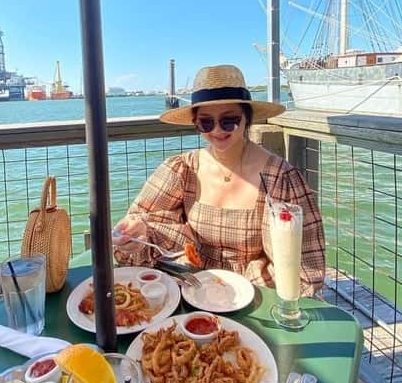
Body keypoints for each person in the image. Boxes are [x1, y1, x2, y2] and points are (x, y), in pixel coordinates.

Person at [113, 64, 325, 296]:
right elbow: (140, 221)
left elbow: (305, 269)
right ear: (196, 123)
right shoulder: (182, 170)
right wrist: (137, 233)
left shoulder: (280, 179)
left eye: (228, 121)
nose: (217, 131)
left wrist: (237, 290)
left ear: (246, 118)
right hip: (192, 291)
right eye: (206, 122)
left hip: (256, 297)